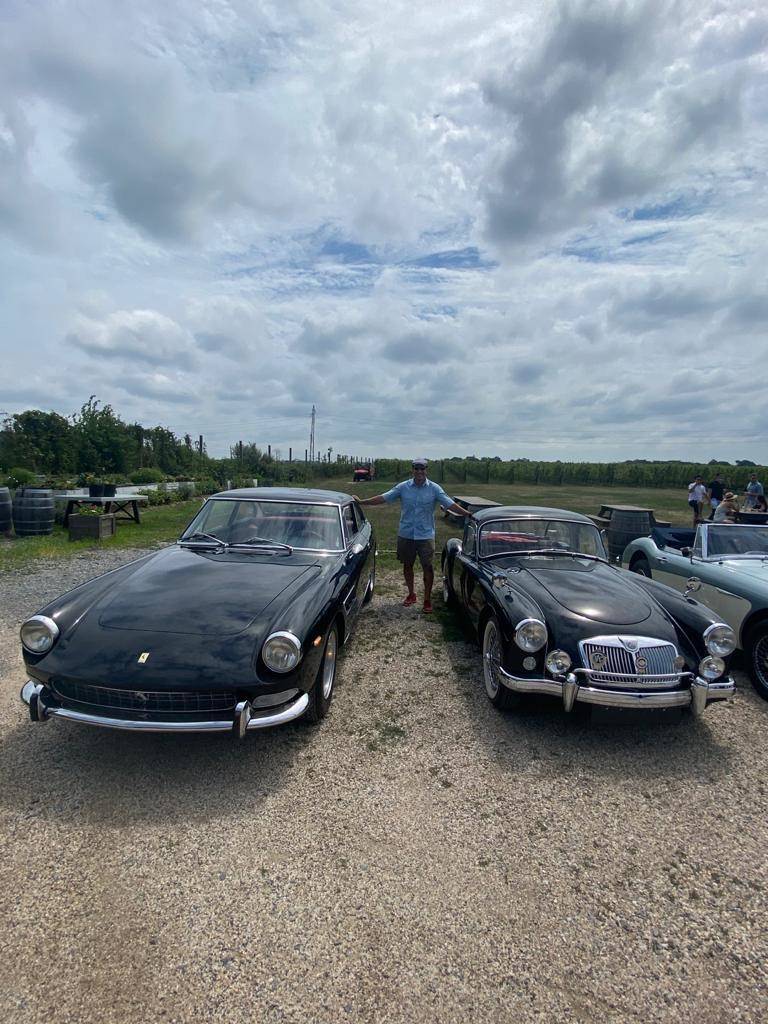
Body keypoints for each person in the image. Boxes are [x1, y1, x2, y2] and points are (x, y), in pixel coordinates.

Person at [355, 458, 469, 613]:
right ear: (412, 470)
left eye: (422, 469)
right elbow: (383, 497)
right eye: (417, 469)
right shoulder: (403, 487)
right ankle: (411, 594)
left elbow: (450, 504)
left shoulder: (434, 489)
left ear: (426, 470)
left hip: (426, 535)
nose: (419, 472)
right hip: (406, 534)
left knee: (428, 567)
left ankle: (427, 600)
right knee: (407, 565)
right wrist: (363, 502)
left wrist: (467, 513)